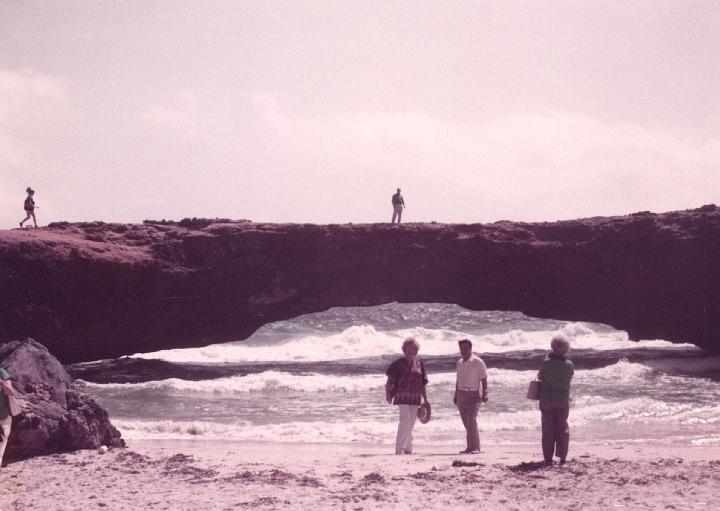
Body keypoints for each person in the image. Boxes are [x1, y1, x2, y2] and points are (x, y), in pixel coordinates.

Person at [385, 338, 429, 454]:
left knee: (412, 421)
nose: (409, 351)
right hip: (401, 396)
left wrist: (426, 400)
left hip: (415, 397)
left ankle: (408, 448)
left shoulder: (420, 364)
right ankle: (399, 448)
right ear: (404, 350)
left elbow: (423, 383)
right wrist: (388, 394)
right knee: (405, 419)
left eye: (412, 349)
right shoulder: (397, 364)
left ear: (416, 351)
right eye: (407, 349)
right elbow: (389, 381)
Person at [537, 335, 574, 465]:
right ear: (566, 349)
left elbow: (540, 376)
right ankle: (562, 457)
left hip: (546, 400)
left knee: (548, 430)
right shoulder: (569, 364)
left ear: (552, 347)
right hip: (562, 400)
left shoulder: (545, 362)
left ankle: (548, 458)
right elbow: (569, 378)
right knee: (563, 428)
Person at [453, 339, 488, 454]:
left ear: (470, 348)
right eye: (461, 349)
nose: (463, 351)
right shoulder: (459, 362)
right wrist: (455, 395)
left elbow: (483, 377)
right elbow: (458, 379)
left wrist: (485, 392)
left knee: (471, 420)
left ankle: (476, 447)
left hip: (473, 394)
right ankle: (470, 447)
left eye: (465, 348)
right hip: (461, 394)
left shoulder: (478, 362)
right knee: (466, 422)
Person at [0, 367, 15, 468]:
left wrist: (1, 382)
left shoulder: (1, 372)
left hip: (3, 416)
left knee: (1, 444)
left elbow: (11, 392)